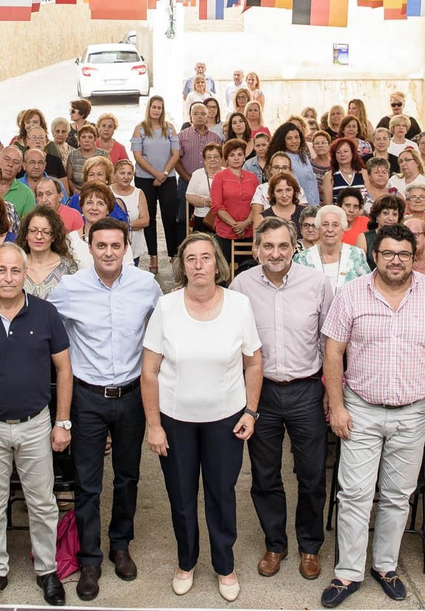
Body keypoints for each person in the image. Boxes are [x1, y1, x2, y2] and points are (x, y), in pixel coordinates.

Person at [320, 223, 425, 608]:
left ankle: (385, 566)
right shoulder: (351, 294)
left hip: (413, 412)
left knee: (399, 496)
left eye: (403, 253)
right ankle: (347, 573)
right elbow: (333, 352)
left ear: (413, 256)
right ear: (375, 256)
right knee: (354, 495)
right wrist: (336, 407)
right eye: (388, 253)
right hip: (361, 410)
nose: (396, 260)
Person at [143, 234, 262, 601]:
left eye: (205, 258)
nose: (198, 265)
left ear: (217, 264)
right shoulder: (166, 307)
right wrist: (153, 425)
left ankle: (225, 566)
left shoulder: (240, 305)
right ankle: (186, 561)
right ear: (182, 265)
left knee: (221, 494)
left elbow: (254, 361)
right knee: (180, 495)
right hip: (176, 420)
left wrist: (251, 412)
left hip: (225, 419)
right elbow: (149, 371)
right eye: (191, 258)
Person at [48, 218, 162, 601]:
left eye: (116, 246)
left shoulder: (146, 286)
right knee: (88, 483)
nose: (109, 253)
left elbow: (162, 332)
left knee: (128, 477)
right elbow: (46, 326)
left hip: (131, 395)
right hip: (87, 398)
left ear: (126, 247)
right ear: (90, 246)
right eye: (101, 246)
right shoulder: (70, 288)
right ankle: (90, 558)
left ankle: (120, 545)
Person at [0, 243, 72, 606]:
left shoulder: (46, 314)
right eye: (0, 270)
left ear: (25, 275)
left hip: (36, 424)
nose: (8, 277)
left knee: (42, 503)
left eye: (15, 271)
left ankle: (47, 570)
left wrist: (62, 422)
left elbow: (64, 369)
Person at [231, 218, 333, 583]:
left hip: (307, 390)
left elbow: (330, 341)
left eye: (283, 246)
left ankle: (309, 546)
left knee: (311, 474)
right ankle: (275, 544)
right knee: (264, 474)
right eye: (268, 246)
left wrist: (330, 392)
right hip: (262, 393)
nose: (275, 253)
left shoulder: (318, 284)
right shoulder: (241, 285)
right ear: (257, 248)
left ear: (295, 248)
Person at [130, 95, 183, 269]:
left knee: (169, 217)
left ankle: (173, 254)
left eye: (160, 107)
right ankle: (153, 255)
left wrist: (165, 173)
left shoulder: (170, 129)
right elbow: (137, 156)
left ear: (163, 110)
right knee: (149, 218)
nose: (156, 110)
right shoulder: (140, 129)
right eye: (154, 107)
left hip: (167, 179)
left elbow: (175, 153)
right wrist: (155, 174)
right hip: (145, 179)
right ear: (149, 108)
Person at [209, 138, 258, 264]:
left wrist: (246, 223)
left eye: (240, 154)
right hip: (225, 231)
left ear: (244, 157)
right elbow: (216, 206)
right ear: (226, 158)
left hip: (249, 230)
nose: (236, 158)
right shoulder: (219, 177)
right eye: (232, 155)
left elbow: (257, 204)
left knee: (248, 267)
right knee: (224, 269)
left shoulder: (252, 178)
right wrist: (236, 226)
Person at [296, 205, 371, 285]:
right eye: (325, 224)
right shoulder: (301, 259)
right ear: (318, 228)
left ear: (342, 230)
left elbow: (367, 286)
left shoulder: (357, 255)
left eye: (335, 225)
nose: (330, 229)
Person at [22, 206, 79, 298]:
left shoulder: (67, 267)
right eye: (33, 230)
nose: (39, 236)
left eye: (46, 232)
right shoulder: (15, 265)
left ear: (53, 236)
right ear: (26, 235)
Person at [185, 142, 224, 234]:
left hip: (224, 217)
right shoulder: (197, 174)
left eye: (216, 156)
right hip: (202, 217)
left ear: (221, 158)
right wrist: (205, 201)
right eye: (209, 157)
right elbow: (189, 196)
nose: (212, 159)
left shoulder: (228, 173)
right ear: (205, 160)